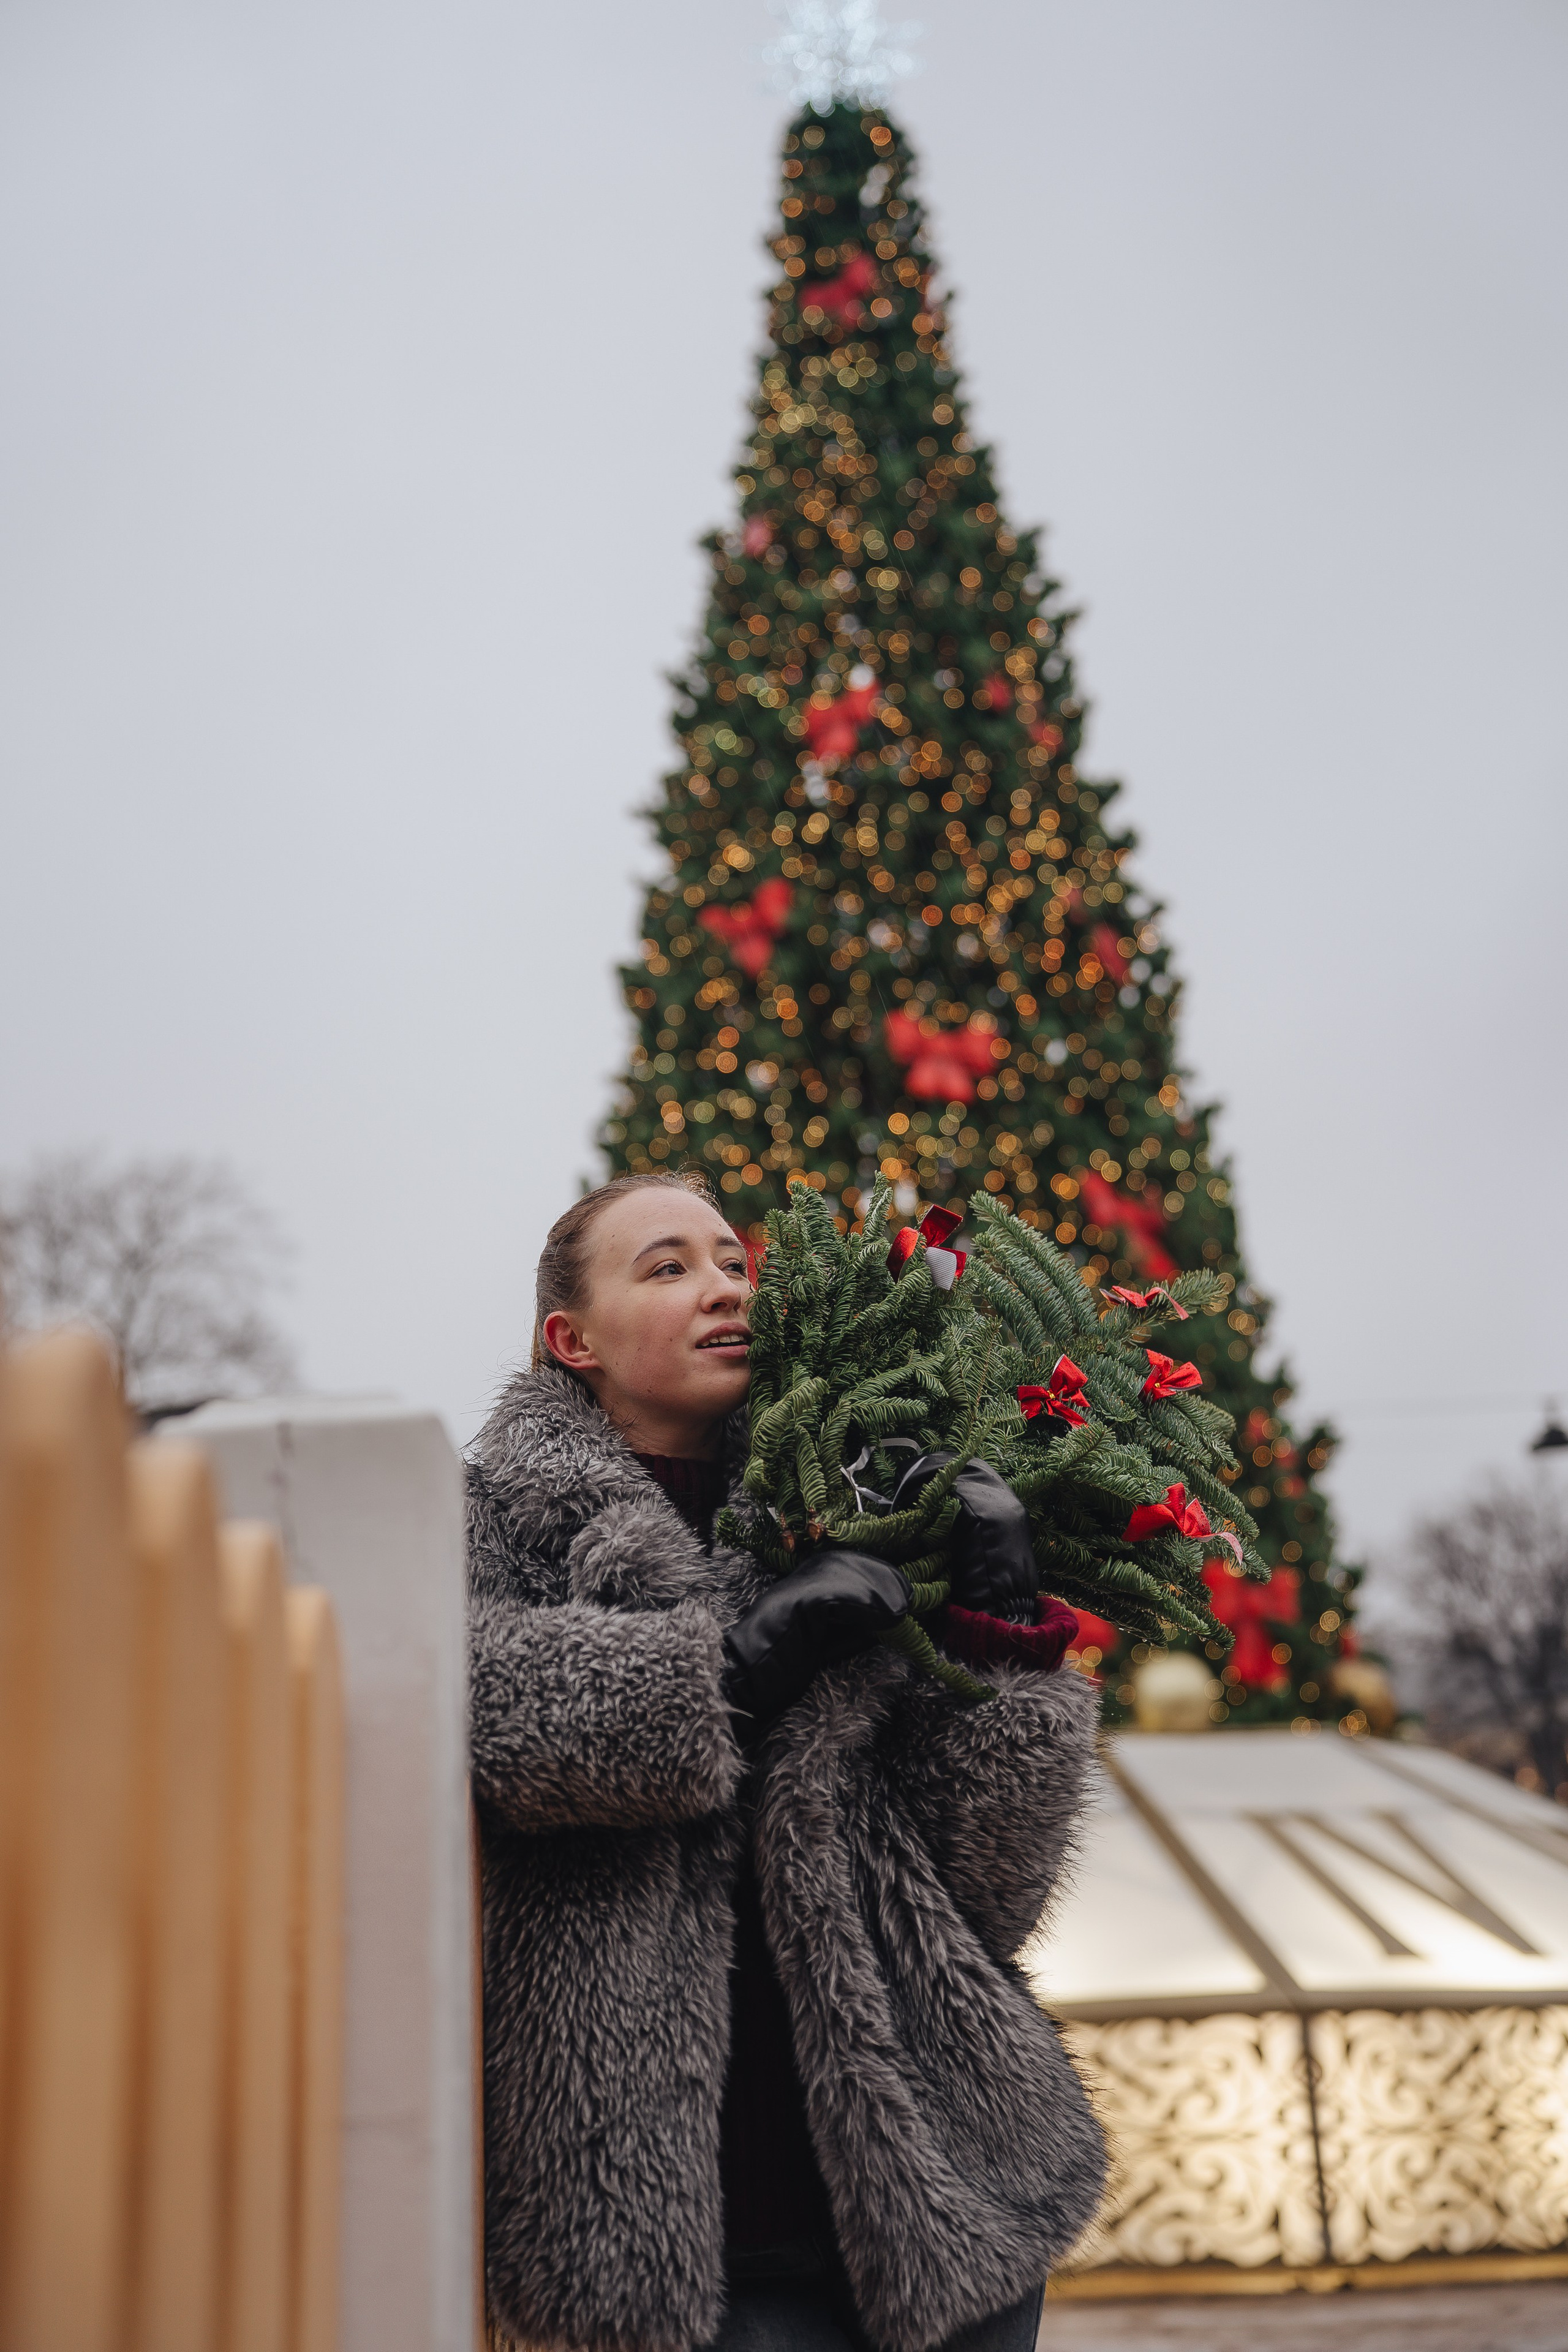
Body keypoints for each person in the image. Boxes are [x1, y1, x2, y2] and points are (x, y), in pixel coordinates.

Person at [468, 1171, 1104, 2352]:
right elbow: (480, 1711)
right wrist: (729, 1665)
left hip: (947, 2203)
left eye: (731, 1262)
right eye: (667, 1268)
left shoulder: (854, 1500)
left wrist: (1000, 1644)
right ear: (573, 1341)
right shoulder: (484, 1522)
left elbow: (988, 1892)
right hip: (678, 2234)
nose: (723, 1289)